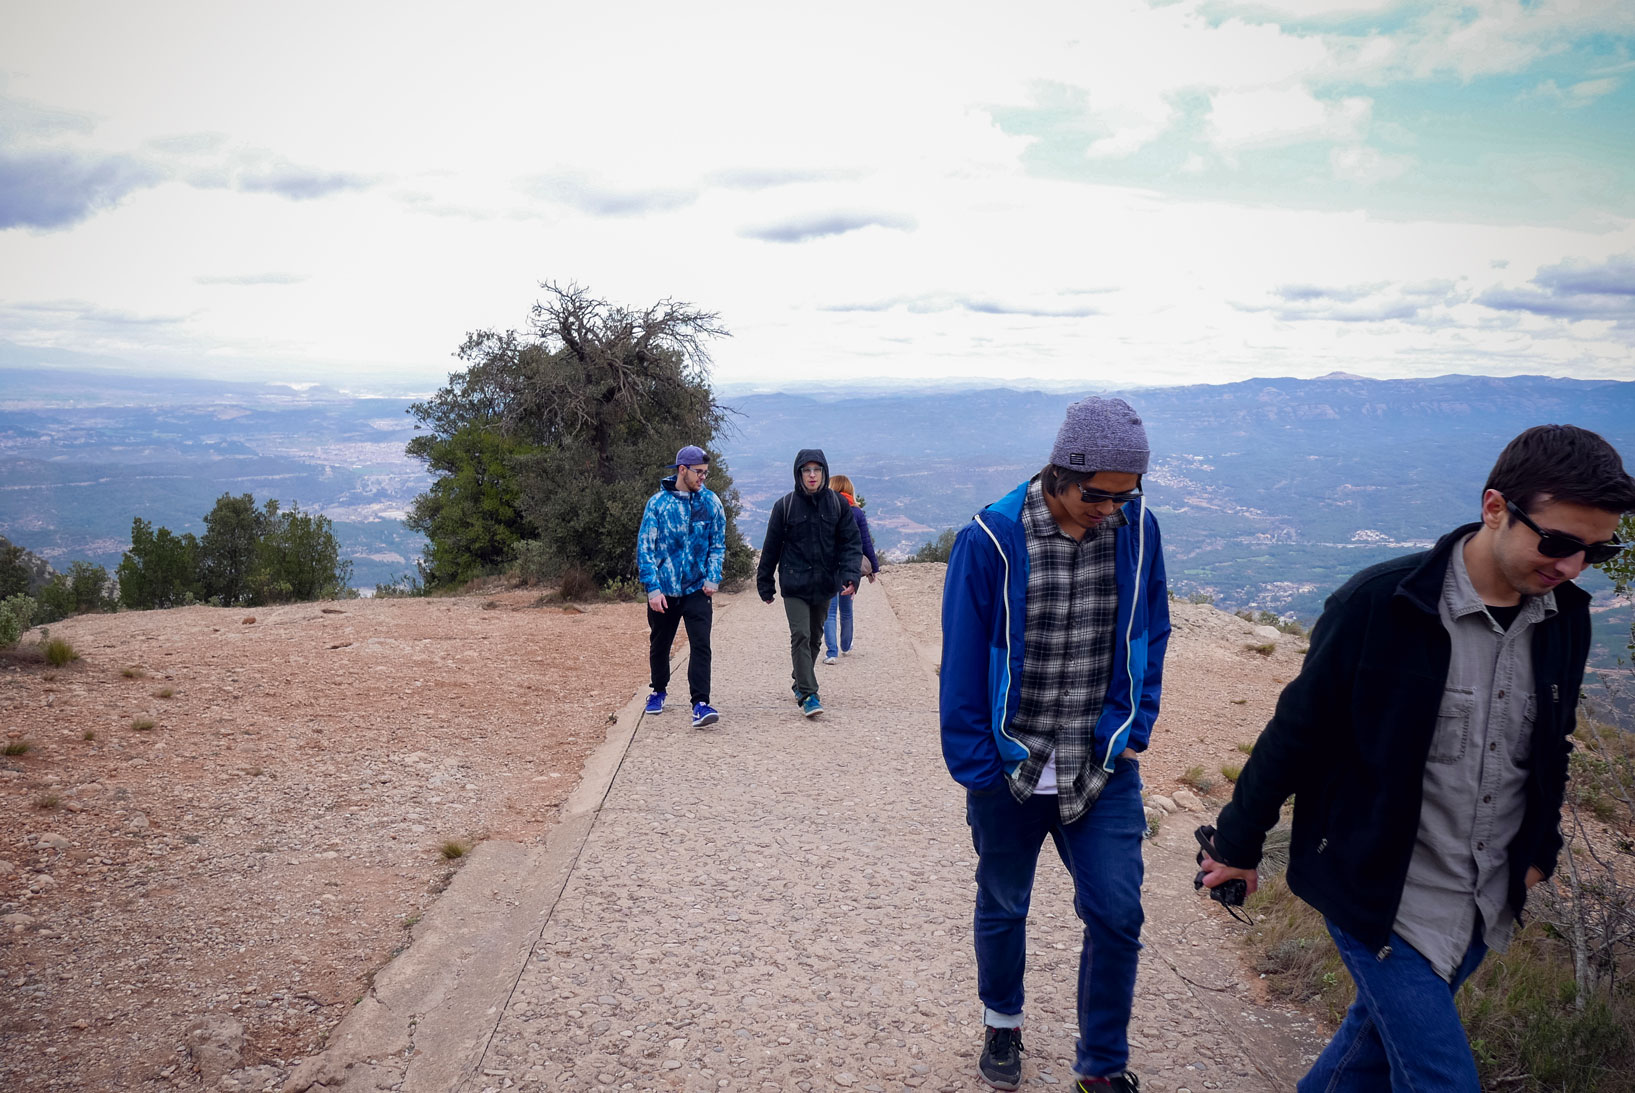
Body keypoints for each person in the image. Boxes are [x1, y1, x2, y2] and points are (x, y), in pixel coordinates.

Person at [1199, 424, 1635, 1092]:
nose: (1572, 566)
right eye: (1556, 542)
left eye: (1594, 551)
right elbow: (1297, 729)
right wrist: (1236, 844)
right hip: (1380, 896)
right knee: (1441, 1079)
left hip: (1486, 897)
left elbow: (1551, 744)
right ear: (1495, 507)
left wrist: (1538, 850)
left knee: (1365, 1053)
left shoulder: (1565, 617)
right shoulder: (1380, 603)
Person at [940, 397, 1169, 1093]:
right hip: (1009, 767)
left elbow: (1151, 629)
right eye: (1099, 495)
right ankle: (1001, 1022)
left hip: (1097, 764)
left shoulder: (1136, 529)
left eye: (1125, 496)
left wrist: (1134, 728)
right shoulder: (991, 538)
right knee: (1005, 903)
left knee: (1116, 911)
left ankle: (1100, 1064)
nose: (1111, 509)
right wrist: (978, 768)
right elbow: (963, 660)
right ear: (1060, 473)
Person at [756, 449, 862, 718]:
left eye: (817, 470)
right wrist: (765, 583)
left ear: (824, 473)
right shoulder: (785, 506)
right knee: (801, 634)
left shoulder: (838, 505)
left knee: (815, 637)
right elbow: (771, 548)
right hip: (794, 584)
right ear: (799, 474)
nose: (812, 475)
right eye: (806, 470)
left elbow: (851, 543)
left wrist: (851, 575)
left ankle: (799, 677)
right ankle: (808, 693)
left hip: (825, 583)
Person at [637, 444, 727, 729]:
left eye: (705, 473)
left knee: (701, 643)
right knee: (660, 643)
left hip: (697, 588)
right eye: (698, 472)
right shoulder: (658, 504)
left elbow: (718, 544)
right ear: (682, 470)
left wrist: (713, 577)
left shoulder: (711, 503)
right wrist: (652, 588)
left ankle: (700, 703)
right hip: (664, 589)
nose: (703, 478)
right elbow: (645, 548)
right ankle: (658, 690)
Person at [822, 473, 881, 664]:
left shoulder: (824, 509)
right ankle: (846, 646)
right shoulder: (857, 512)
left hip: (828, 567)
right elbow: (865, 543)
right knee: (846, 609)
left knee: (829, 612)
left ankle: (831, 653)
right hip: (850, 566)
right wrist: (874, 568)